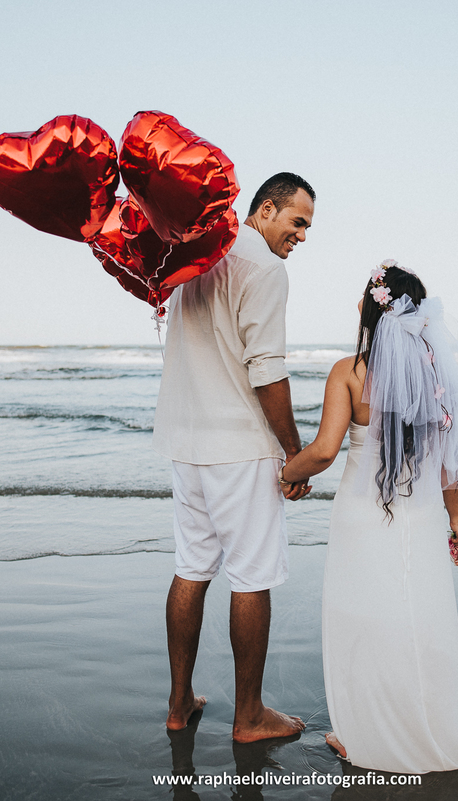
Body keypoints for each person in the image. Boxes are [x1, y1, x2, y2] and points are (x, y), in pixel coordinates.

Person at [280, 261, 458, 773]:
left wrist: (286, 473)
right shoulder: (436, 374)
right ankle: (432, 734)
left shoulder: (351, 371)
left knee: (362, 619)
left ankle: (362, 735)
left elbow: (323, 451)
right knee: (420, 620)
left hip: (364, 514)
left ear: (373, 309)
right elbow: (448, 466)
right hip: (423, 516)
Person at [153, 172, 316, 742]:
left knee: (191, 567)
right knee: (251, 576)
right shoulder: (265, 269)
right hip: (239, 449)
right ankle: (248, 717)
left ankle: (179, 704)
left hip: (187, 442)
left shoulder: (196, 258)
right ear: (265, 210)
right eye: (297, 222)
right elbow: (266, 367)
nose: (301, 236)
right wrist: (293, 451)